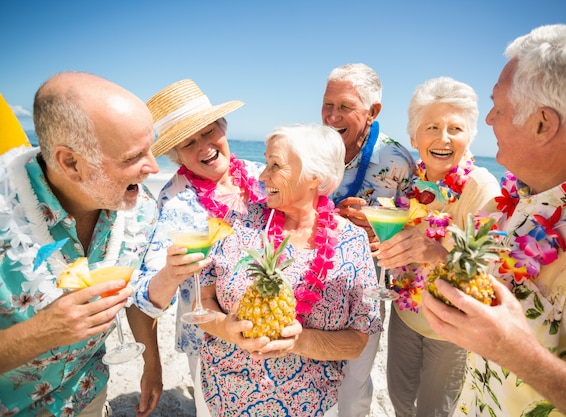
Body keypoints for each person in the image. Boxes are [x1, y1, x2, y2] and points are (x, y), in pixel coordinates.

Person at [421, 22, 566, 417]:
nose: (490, 119)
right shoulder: (526, 196)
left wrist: (517, 353)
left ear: (542, 125)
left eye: (499, 106)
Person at [0, 72, 163, 417]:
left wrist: (152, 364)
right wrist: (38, 333)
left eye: (153, 147)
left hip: (88, 392)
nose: (152, 166)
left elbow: (130, 295)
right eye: (134, 156)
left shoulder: (142, 207)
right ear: (70, 162)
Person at [193, 124, 382, 416]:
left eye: (275, 165)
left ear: (314, 176)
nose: (262, 175)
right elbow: (201, 302)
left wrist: (299, 341)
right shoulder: (237, 221)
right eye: (266, 162)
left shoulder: (351, 242)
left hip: (310, 405)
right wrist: (226, 329)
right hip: (221, 394)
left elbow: (358, 341)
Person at [133, 79, 266, 417]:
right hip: (210, 337)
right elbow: (148, 299)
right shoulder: (173, 200)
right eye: (189, 142)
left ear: (224, 128)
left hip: (268, 321)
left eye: (209, 132)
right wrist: (171, 273)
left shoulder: (262, 176)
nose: (204, 146)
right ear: (176, 155)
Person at [374, 77, 501, 416]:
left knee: (434, 411)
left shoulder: (483, 189)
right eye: (432, 127)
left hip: (451, 328)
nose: (443, 139)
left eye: (455, 128)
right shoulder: (414, 181)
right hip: (406, 314)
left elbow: (494, 272)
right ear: (414, 137)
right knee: (400, 399)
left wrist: (438, 253)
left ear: (470, 136)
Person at [321, 62, 415, 417]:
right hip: (312, 281)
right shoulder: (314, 149)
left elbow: (417, 227)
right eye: (327, 105)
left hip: (366, 288)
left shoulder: (396, 161)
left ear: (373, 111)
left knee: (356, 380)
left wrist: (383, 232)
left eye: (344, 107)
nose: (331, 116)